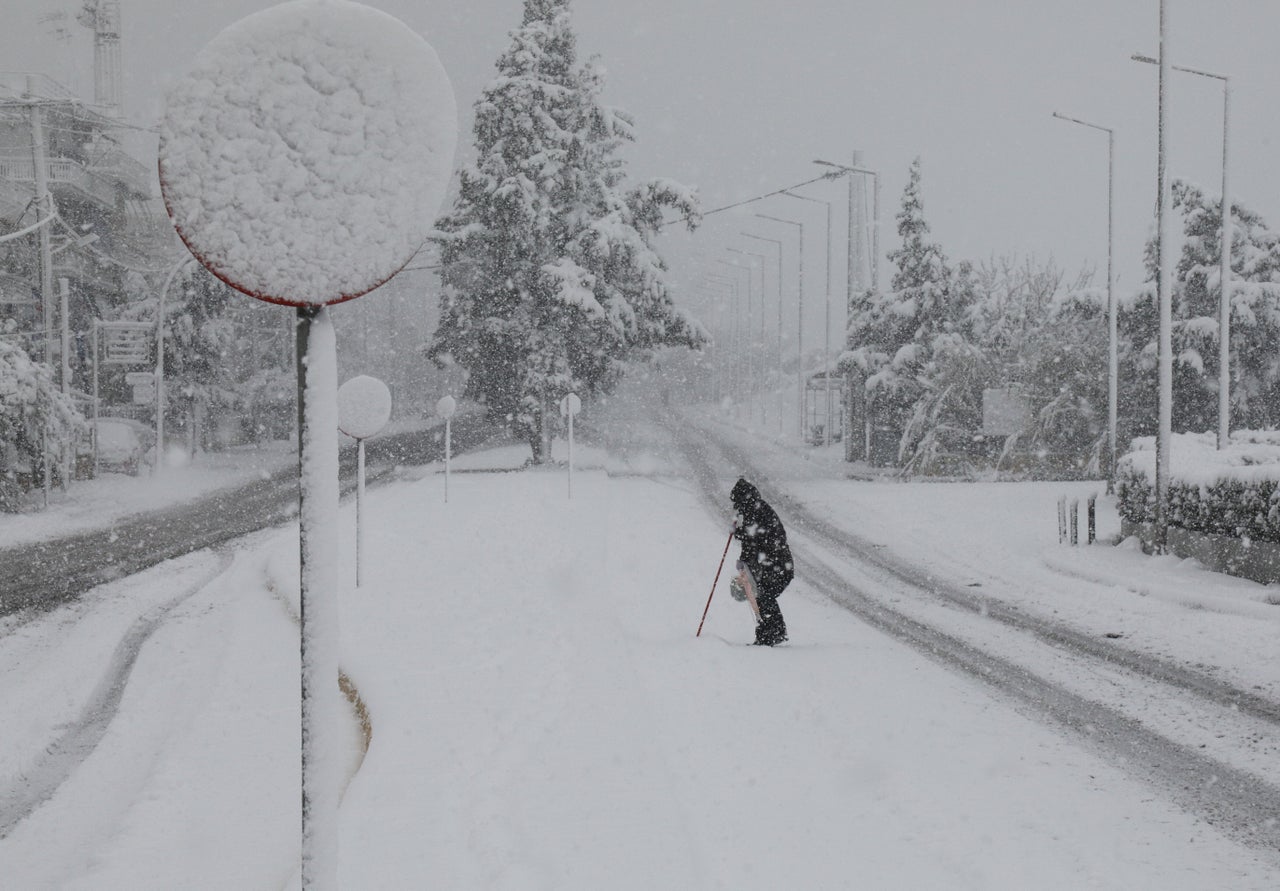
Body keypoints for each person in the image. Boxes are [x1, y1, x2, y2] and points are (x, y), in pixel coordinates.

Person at [730, 477, 792, 646]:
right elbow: (753, 539)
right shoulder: (756, 509)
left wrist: (739, 535)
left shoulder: (756, 511)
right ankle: (770, 633)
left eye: (738, 503)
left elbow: (754, 539)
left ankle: (773, 633)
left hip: (777, 564)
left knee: (764, 595)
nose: (738, 508)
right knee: (762, 596)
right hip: (775, 564)